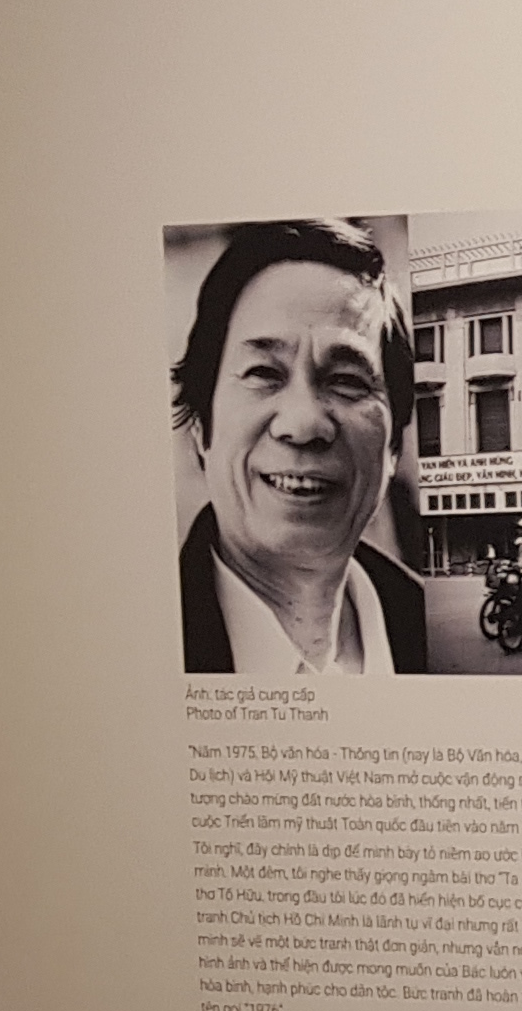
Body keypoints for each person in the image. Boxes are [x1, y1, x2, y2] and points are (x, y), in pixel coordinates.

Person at [174, 222, 428, 676]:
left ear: (394, 445)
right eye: (263, 373)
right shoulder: (137, 642)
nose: (304, 424)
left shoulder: (428, 635)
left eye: (347, 381)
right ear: (200, 425)